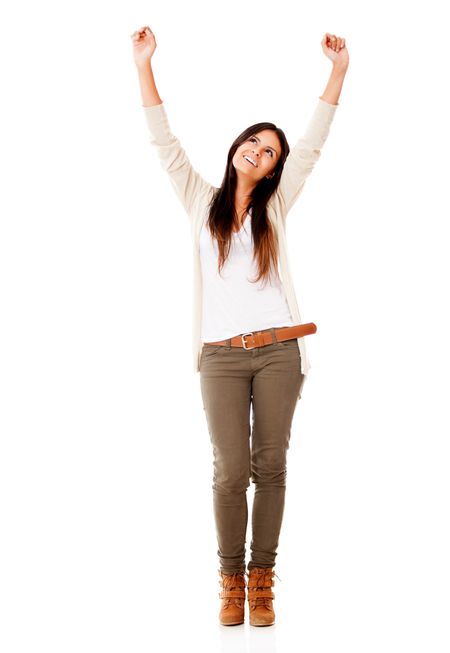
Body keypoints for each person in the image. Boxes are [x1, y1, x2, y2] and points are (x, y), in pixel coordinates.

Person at [132, 26, 349, 627]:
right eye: (254, 141)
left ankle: (263, 580)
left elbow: (314, 142)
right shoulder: (201, 201)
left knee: (270, 466)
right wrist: (144, 62)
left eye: (270, 150)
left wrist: (337, 72)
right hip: (220, 357)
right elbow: (163, 141)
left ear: (278, 167)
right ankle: (230, 580)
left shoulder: (276, 206)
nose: (260, 150)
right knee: (230, 470)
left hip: (280, 351)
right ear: (237, 147)